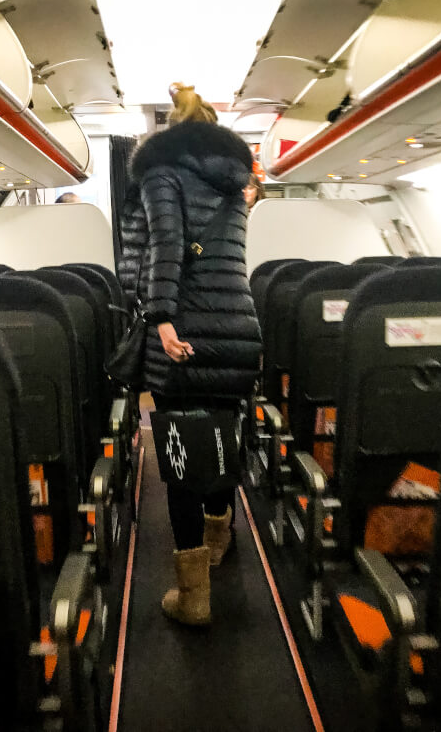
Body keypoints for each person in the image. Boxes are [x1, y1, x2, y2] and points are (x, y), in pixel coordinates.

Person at [119, 83, 262, 626]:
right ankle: (220, 536)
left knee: (180, 455)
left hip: (185, 328)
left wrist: (159, 318)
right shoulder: (236, 181)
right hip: (238, 327)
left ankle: (194, 597)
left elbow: (168, 246)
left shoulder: (161, 171)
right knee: (223, 437)